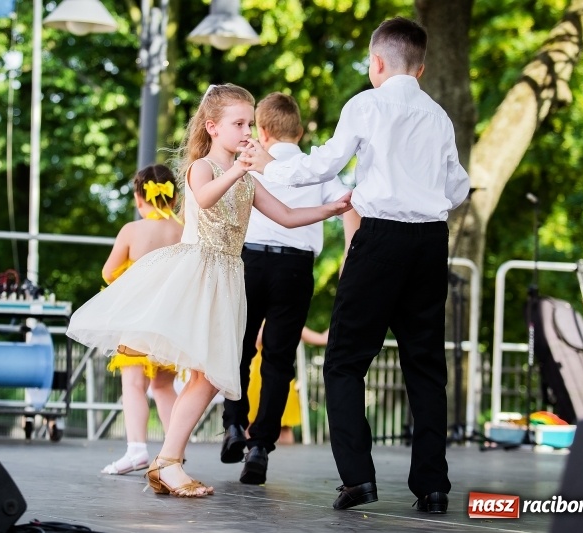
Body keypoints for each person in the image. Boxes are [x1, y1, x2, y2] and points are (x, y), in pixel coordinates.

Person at [67, 83, 352, 498]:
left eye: (249, 124)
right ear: (213, 127)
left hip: (228, 277)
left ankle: (168, 461)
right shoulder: (203, 167)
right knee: (208, 375)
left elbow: (288, 215)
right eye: (238, 124)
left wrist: (330, 209)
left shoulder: (248, 180)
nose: (246, 132)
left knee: (209, 377)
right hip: (199, 272)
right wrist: (241, 168)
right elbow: (203, 196)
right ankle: (168, 461)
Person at [239, 17, 470, 513]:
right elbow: (458, 188)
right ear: (422, 68)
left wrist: (269, 165)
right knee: (425, 365)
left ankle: (358, 479)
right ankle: (432, 487)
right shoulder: (439, 116)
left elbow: (325, 164)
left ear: (377, 63)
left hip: (381, 238)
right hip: (430, 241)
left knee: (346, 361)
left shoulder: (366, 104)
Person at [220, 92, 360, 486]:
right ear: (298, 131)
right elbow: (350, 208)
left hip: (249, 262)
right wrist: (350, 258)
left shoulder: (247, 162)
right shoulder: (317, 168)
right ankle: (260, 446)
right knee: (279, 359)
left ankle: (233, 424)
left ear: (261, 131)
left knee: (239, 349)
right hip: (295, 267)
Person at [99, 164, 183, 476]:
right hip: (172, 321)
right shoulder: (183, 229)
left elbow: (109, 273)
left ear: (139, 198)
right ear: (174, 199)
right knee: (163, 385)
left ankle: (136, 450)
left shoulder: (132, 231)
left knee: (134, 383)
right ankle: (175, 451)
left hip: (139, 320)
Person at [245, 325, 331, 447]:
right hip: (260, 377)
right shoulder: (267, 319)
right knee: (253, 424)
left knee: (283, 426)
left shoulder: (288, 319)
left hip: (275, 375)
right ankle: (252, 457)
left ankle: (258, 458)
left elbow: (322, 339)